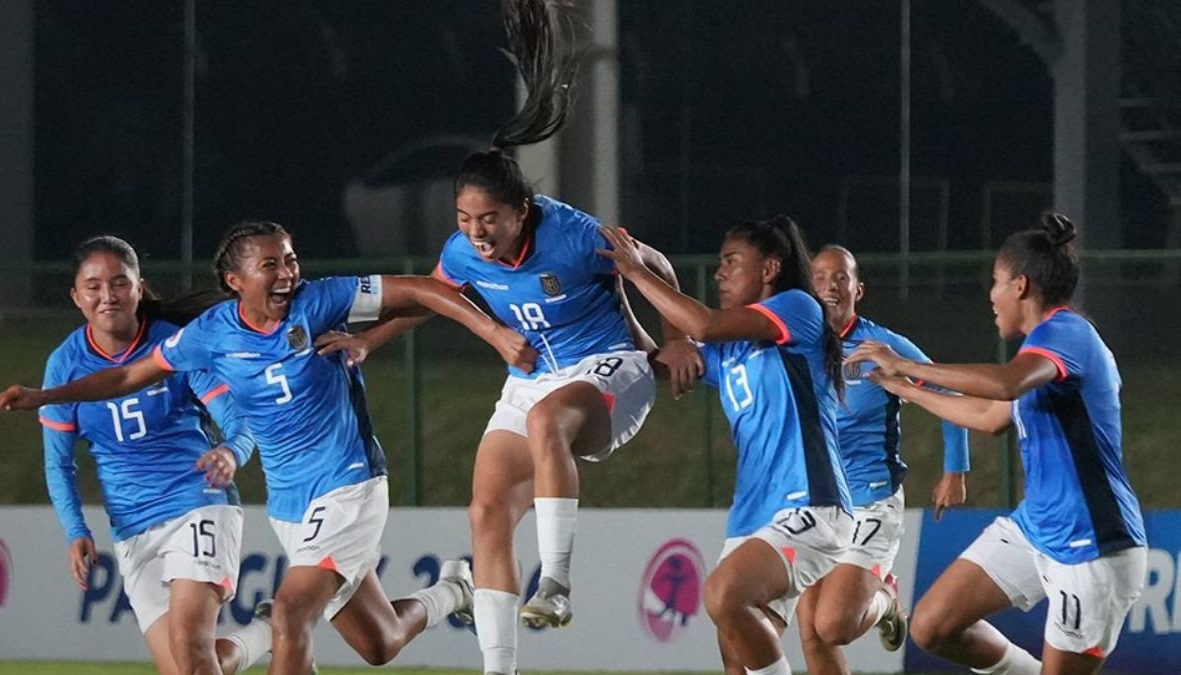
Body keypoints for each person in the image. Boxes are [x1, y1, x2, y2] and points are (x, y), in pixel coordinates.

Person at [0, 221, 536, 675]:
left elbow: (419, 289)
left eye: (290, 259)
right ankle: (453, 590)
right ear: (234, 280)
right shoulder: (211, 334)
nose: (288, 273)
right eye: (271, 264)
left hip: (349, 484)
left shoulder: (320, 301)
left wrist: (492, 334)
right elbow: (128, 378)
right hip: (291, 507)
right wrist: (45, 396)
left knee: (290, 615)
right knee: (379, 642)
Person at [314, 3, 684, 675]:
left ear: (523, 210)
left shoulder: (573, 235)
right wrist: (372, 342)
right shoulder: (464, 252)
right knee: (485, 508)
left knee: (547, 421)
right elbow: (436, 297)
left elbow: (653, 264)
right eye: (465, 217)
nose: (477, 231)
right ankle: (499, 669)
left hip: (610, 370)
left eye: (490, 218)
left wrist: (682, 335)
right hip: (533, 375)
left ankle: (558, 584)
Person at [846, 213, 1146, 675]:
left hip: (1093, 544)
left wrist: (906, 363)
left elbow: (1005, 386)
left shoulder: (1066, 333)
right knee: (931, 626)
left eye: (996, 281)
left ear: (1021, 286)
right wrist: (905, 388)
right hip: (1038, 528)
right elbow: (989, 416)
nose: (990, 295)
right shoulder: (1040, 351)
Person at [598, 217, 852, 675]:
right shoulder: (731, 349)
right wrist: (622, 299)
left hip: (809, 504)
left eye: (731, 262)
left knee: (723, 594)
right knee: (737, 664)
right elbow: (668, 357)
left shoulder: (798, 308)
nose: (719, 274)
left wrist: (640, 272)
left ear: (770, 269)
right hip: (752, 518)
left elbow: (703, 324)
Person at [39, 235, 272, 675]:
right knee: (190, 667)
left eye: (119, 283)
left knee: (191, 651)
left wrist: (231, 452)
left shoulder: (176, 347)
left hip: (197, 504)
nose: (107, 296)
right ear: (76, 296)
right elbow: (58, 461)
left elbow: (240, 422)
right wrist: (75, 530)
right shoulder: (64, 365)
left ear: (139, 288)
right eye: (93, 285)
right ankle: (270, 628)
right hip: (132, 529)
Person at [795, 245, 971, 674]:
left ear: (859, 288)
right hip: (814, 503)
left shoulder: (883, 345)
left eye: (840, 278)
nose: (829, 287)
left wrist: (956, 469)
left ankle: (886, 599)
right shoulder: (798, 344)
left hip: (871, 499)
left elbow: (946, 392)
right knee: (811, 634)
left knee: (834, 624)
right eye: (819, 278)